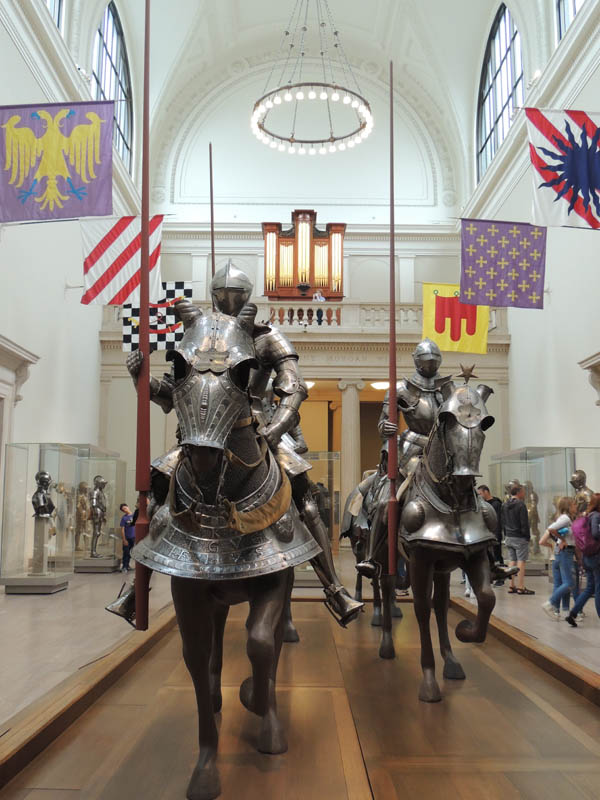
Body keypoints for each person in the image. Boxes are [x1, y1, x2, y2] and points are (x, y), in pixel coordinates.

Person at [565, 493, 600, 626]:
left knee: (590, 588)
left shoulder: (587, 516)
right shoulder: (596, 516)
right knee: (598, 588)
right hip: (596, 557)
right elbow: (596, 533)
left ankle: (573, 613)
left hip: (587, 556)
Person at [540, 497, 576, 619]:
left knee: (563, 582)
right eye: (574, 504)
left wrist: (559, 539)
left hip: (565, 551)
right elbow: (551, 529)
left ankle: (561, 610)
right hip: (565, 552)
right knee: (569, 582)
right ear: (568, 506)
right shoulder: (565, 518)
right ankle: (550, 603)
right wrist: (562, 540)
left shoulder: (565, 518)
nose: (576, 506)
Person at [501, 485, 534, 595]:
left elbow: (503, 521)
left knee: (512, 560)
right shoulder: (521, 504)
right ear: (519, 492)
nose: (524, 494)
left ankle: (511, 585)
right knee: (521, 561)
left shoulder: (504, 504)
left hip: (509, 536)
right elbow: (524, 523)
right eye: (523, 492)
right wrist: (527, 536)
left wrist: (506, 534)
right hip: (519, 537)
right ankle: (520, 586)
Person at [478, 484, 504, 586]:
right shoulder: (482, 504)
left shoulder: (496, 504)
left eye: (480, 493)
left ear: (486, 492)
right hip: (485, 534)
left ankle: (500, 578)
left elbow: (498, 520)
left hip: (494, 533)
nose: (479, 496)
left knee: (497, 555)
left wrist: (496, 534)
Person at [119, 503, 135, 572]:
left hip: (134, 538)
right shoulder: (124, 518)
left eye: (125, 508)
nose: (125, 510)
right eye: (123, 510)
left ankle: (127, 565)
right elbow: (122, 529)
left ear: (128, 507)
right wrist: (124, 539)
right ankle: (124, 567)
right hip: (127, 538)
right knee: (126, 552)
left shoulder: (135, 515)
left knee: (131, 553)